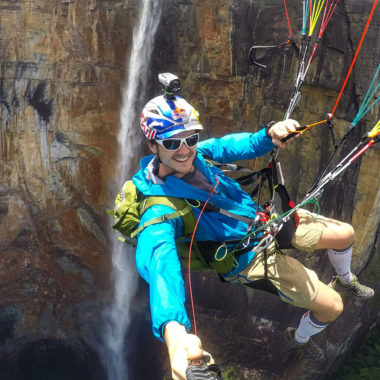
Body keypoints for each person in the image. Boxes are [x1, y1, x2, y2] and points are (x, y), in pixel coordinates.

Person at [125, 90, 374, 380]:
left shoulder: (196, 156)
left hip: (263, 221)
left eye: (190, 138)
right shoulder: (158, 206)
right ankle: (301, 338)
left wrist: (269, 134)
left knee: (346, 234)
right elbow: (159, 262)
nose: (184, 149)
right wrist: (175, 333)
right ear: (152, 144)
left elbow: (229, 146)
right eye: (171, 142)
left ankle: (346, 279)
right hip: (247, 258)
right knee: (333, 307)